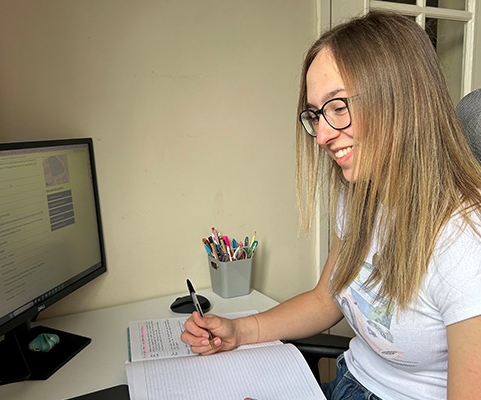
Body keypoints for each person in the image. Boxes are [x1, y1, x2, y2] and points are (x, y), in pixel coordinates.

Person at [182, 11, 481, 400]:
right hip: (348, 382)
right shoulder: (357, 192)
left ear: (401, 102)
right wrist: (240, 331)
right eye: (315, 114)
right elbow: (328, 297)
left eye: (338, 108)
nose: (322, 135)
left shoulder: (465, 242)